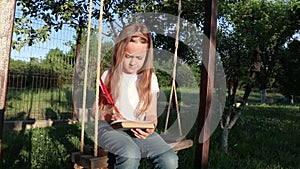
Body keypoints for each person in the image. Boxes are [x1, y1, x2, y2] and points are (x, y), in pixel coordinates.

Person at [94, 23, 178, 169]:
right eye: (127, 56)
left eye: (139, 57)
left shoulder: (150, 77)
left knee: (169, 159)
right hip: (111, 130)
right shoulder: (108, 75)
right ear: (120, 52)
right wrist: (108, 116)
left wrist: (151, 126)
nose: (133, 62)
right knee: (130, 153)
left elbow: (152, 114)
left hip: (138, 129)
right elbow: (95, 111)